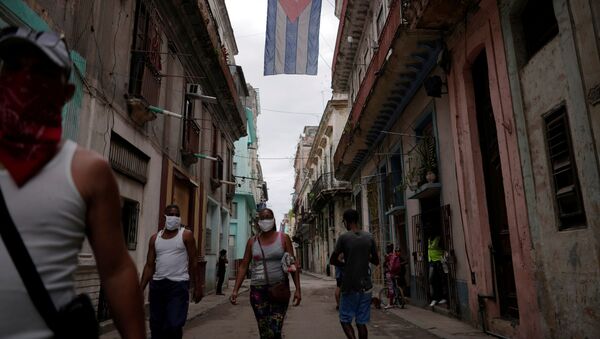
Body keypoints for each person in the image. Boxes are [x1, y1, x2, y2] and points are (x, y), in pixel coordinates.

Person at [0, 26, 145, 338]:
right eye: (14, 67)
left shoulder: (86, 171)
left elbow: (117, 269)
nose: (24, 80)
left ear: (66, 92)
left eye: (41, 71)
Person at [230, 208, 301, 339]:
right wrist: (235, 290)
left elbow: (292, 264)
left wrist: (298, 289)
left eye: (268, 217)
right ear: (258, 222)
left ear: (273, 220)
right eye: (262, 218)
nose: (265, 220)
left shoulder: (283, 238)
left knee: (276, 330)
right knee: (264, 331)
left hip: (279, 289)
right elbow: (244, 266)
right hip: (258, 291)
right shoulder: (252, 242)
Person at [140, 204, 202, 339]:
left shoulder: (186, 235)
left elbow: (194, 261)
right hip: (158, 285)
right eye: (171, 214)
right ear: (165, 217)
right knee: (156, 325)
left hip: (178, 286)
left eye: (177, 215)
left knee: (174, 324)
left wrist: (198, 286)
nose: (174, 217)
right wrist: (140, 289)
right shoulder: (155, 239)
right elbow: (149, 265)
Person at [330, 209, 379, 339]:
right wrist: (364, 257)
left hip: (350, 285)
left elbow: (332, 260)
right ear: (357, 220)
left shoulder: (344, 238)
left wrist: (346, 264)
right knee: (361, 322)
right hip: (366, 286)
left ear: (346, 221)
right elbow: (376, 260)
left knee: (345, 319)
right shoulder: (369, 237)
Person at [428, 233, 447, 307]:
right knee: (432, 280)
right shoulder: (429, 239)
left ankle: (443, 297)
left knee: (441, 280)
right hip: (432, 262)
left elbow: (443, 249)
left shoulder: (438, 238)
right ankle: (435, 298)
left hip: (439, 262)